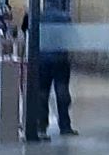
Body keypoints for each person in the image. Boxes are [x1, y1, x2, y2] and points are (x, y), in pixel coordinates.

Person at [22, 10, 78, 139]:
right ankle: (65, 127)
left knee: (42, 94)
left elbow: (25, 29)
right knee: (62, 93)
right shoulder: (65, 17)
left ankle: (42, 127)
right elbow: (73, 36)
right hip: (61, 59)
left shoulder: (35, 14)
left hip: (42, 60)